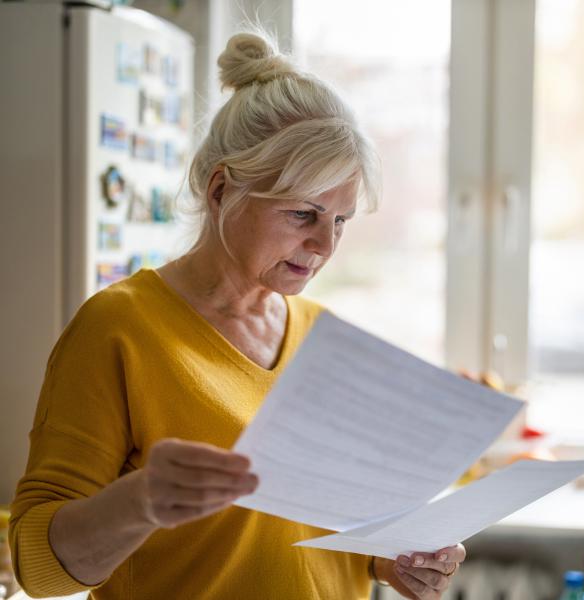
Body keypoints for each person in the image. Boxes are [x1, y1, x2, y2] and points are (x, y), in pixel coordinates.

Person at [9, 30, 466, 599]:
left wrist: (391, 559)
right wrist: (141, 501)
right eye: (304, 214)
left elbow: (321, 532)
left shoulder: (322, 337)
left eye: (341, 221)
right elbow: (37, 567)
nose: (326, 244)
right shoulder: (118, 328)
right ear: (222, 189)